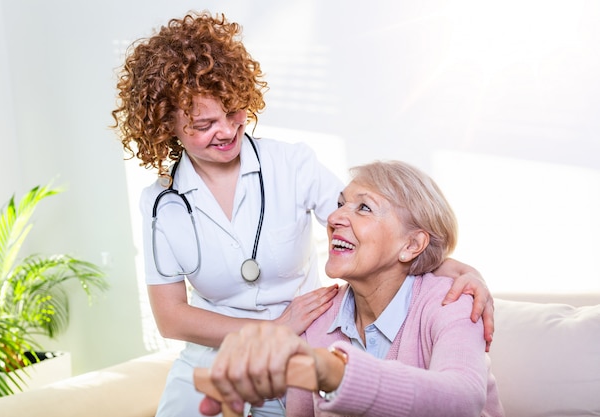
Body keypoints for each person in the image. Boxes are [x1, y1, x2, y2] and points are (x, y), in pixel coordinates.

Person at [111, 11, 495, 417]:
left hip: (299, 351)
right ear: (166, 124)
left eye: (234, 112)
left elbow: (370, 226)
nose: (226, 130)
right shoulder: (162, 204)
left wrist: (455, 268)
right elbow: (171, 317)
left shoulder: (291, 165)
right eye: (204, 123)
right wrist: (274, 330)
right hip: (215, 361)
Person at [201, 160, 504, 417]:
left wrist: (331, 371)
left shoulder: (454, 302)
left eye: (363, 207)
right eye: (339, 204)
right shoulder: (317, 319)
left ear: (411, 244)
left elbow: (463, 399)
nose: (333, 218)